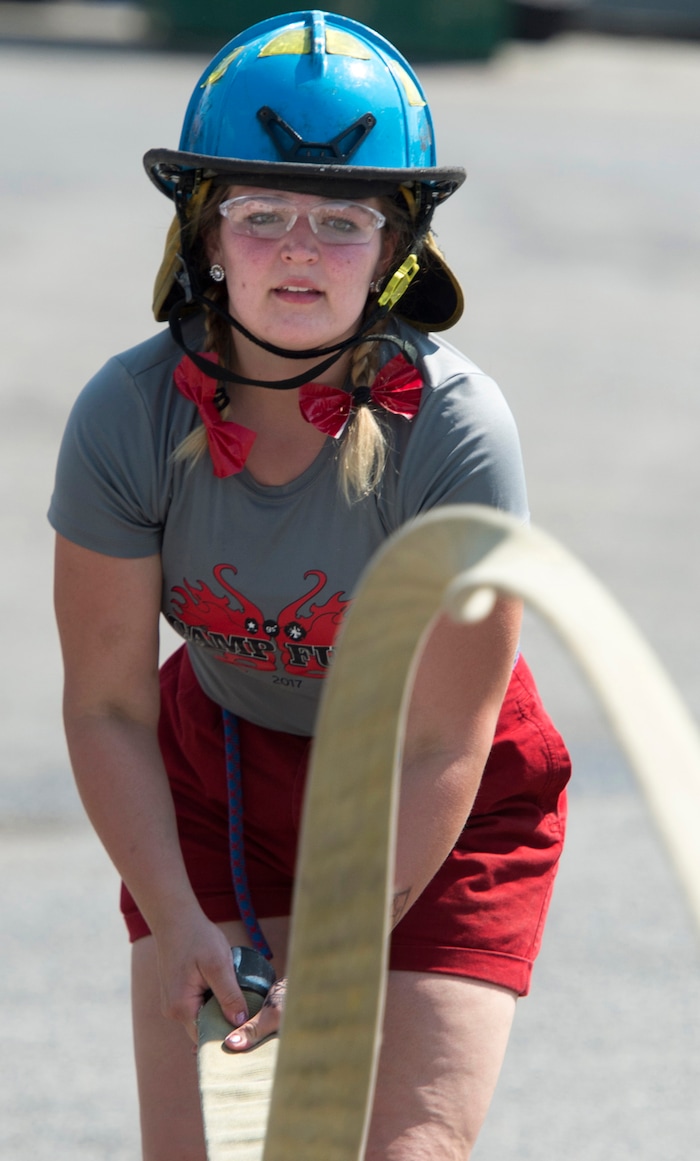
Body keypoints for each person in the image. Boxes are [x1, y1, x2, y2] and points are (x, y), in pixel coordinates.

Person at [49, 10, 571, 1160]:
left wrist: (337, 954)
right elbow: (106, 704)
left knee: (393, 1153)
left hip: (436, 789)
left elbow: (444, 739)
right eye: (260, 214)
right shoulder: (124, 414)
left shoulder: (459, 428)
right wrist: (176, 914)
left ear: (398, 254)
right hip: (220, 774)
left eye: (343, 223)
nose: (297, 249)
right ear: (202, 234)